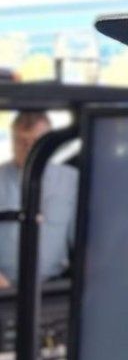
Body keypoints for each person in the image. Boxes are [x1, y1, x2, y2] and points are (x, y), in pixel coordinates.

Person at [0, 110, 77, 288]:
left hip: (53, 288)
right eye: (21, 142)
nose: (28, 149)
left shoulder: (71, 180)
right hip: (5, 289)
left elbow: (81, 235)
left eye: (36, 143)